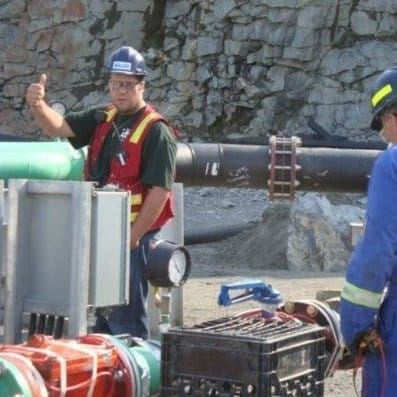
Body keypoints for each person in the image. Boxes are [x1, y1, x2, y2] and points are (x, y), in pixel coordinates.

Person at [26, 46, 178, 339]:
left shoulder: (156, 131)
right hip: (102, 232)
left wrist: (133, 237)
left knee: (127, 316)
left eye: (127, 84)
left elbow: (159, 191)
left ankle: (136, 373)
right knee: (104, 315)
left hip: (134, 239)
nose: (120, 91)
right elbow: (60, 127)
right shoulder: (103, 118)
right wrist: (38, 105)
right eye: (115, 84)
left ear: (141, 85)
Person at [340, 66, 397, 396]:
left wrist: (356, 325)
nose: (386, 137)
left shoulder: (391, 166)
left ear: (393, 115)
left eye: (383, 125)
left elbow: (377, 252)